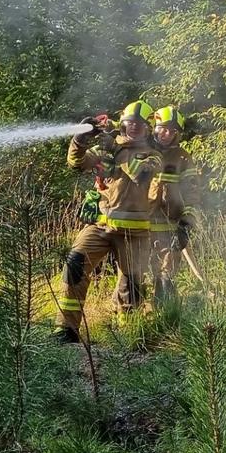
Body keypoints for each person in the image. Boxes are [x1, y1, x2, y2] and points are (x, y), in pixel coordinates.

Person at [53, 100, 161, 343]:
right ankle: (66, 329)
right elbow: (76, 164)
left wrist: (116, 147)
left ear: (147, 129)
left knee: (130, 286)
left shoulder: (153, 156)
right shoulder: (106, 150)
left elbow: (141, 175)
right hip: (100, 226)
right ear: (122, 125)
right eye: (129, 124)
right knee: (75, 265)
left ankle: (128, 334)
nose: (134, 128)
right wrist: (79, 141)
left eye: (140, 125)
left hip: (134, 234)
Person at [147, 105, 196, 301]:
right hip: (139, 224)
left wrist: (186, 223)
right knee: (135, 274)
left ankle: (166, 319)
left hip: (169, 225)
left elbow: (192, 191)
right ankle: (134, 320)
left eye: (172, 130)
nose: (167, 133)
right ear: (154, 127)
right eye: (163, 128)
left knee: (166, 275)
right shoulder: (140, 150)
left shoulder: (182, 156)